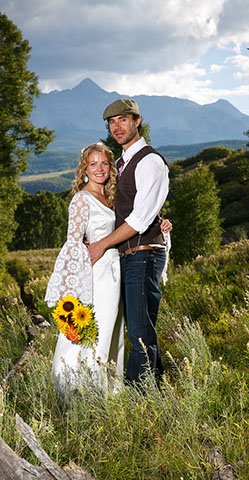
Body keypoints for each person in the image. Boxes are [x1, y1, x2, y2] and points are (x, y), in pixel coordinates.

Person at [88, 99, 170, 386]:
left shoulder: (150, 161)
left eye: (123, 120)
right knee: (140, 329)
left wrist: (101, 245)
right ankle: (156, 395)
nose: (116, 127)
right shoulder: (122, 163)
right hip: (132, 255)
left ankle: (141, 398)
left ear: (137, 121)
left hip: (143, 255)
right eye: (112, 122)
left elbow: (139, 219)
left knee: (138, 332)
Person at [44, 143, 124, 403]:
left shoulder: (111, 198)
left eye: (104, 163)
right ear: (84, 169)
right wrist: (73, 289)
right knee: (93, 329)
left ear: (111, 167)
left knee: (113, 330)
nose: (99, 169)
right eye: (93, 164)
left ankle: (110, 391)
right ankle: (82, 392)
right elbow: (74, 244)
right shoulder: (81, 198)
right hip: (96, 273)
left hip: (115, 271)